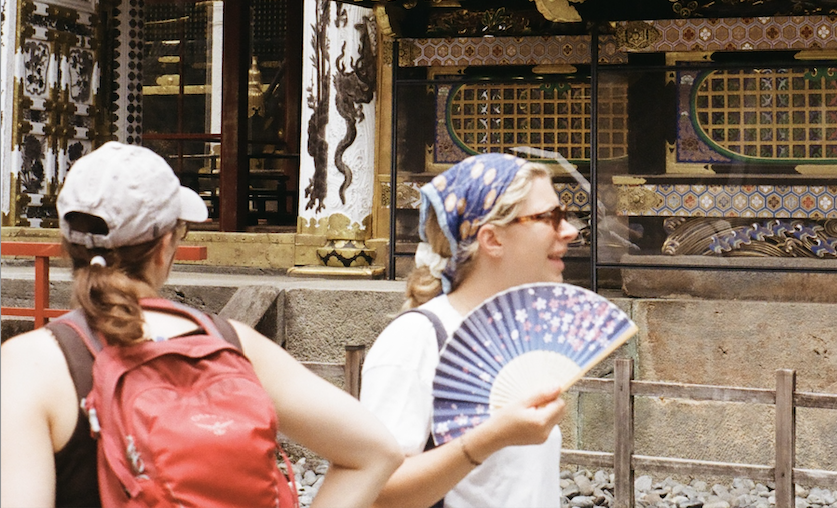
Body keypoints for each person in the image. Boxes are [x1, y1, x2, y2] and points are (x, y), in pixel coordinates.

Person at [0, 142, 402, 508]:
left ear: (67, 242)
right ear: (165, 246)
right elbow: (376, 452)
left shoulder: (31, 364)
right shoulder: (231, 342)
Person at [360, 153, 579, 508]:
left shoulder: (519, 336)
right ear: (492, 239)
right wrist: (488, 439)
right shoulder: (417, 340)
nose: (568, 231)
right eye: (547, 218)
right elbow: (374, 492)